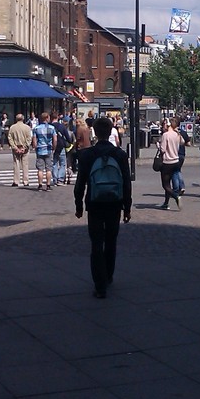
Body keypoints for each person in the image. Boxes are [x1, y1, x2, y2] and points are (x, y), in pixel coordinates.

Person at [74, 117, 132, 298]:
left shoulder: (87, 155)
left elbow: (80, 182)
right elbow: (126, 183)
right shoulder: (120, 155)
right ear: (110, 132)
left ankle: (99, 285)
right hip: (114, 202)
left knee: (96, 243)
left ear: (95, 133)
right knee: (111, 241)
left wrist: (79, 205)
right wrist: (127, 207)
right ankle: (108, 275)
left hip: (94, 202)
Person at [157, 118, 182, 210]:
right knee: (169, 183)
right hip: (176, 161)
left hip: (167, 162)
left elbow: (163, 149)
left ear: (168, 125)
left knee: (165, 185)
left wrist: (158, 146)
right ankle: (166, 203)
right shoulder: (177, 135)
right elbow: (182, 143)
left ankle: (176, 197)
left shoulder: (165, 135)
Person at [32, 112, 57, 191]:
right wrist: (53, 147)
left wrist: (36, 147)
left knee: (40, 169)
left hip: (40, 149)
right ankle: (48, 185)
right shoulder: (52, 128)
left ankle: (40, 185)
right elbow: (55, 139)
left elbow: (34, 141)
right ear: (47, 118)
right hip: (48, 149)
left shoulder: (36, 128)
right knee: (48, 169)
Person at [8, 113, 33, 187]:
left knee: (16, 164)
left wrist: (14, 147)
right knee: (25, 165)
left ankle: (16, 181)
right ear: (23, 119)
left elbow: (10, 138)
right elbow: (29, 138)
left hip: (16, 147)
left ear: (16, 119)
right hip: (24, 148)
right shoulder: (27, 127)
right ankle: (25, 181)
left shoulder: (12, 127)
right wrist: (25, 147)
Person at [170, 118, 191, 196]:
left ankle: (177, 188)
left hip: (174, 154)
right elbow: (188, 144)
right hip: (182, 154)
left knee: (174, 172)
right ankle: (181, 186)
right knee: (178, 171)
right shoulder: (183, 132)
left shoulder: (171, 133)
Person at [51, 112, 72, 186]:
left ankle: (55, 179)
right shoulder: (62, 126)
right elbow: (68, 137)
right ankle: (60, 179)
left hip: (52, 147)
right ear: (57, 117)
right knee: (62, 164)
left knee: (54, 163)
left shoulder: (49, 126)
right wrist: (70, 142)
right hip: (61, 146)